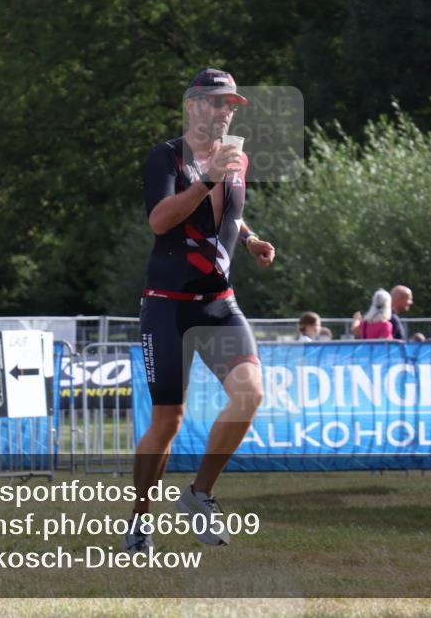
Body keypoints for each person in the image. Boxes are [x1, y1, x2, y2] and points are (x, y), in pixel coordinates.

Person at [127, 68, 276, 553]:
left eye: (230, 104)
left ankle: (200, 494)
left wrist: (250, 240)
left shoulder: (238, 159)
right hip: (167, 308)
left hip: (219, 304)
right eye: (216, 103)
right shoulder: (165, 157)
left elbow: (229, 211)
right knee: (168, 421)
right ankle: (139, 521)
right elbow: (160, 219)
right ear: (192, 105)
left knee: (250, 393)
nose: (224, 111)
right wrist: (207, 178)